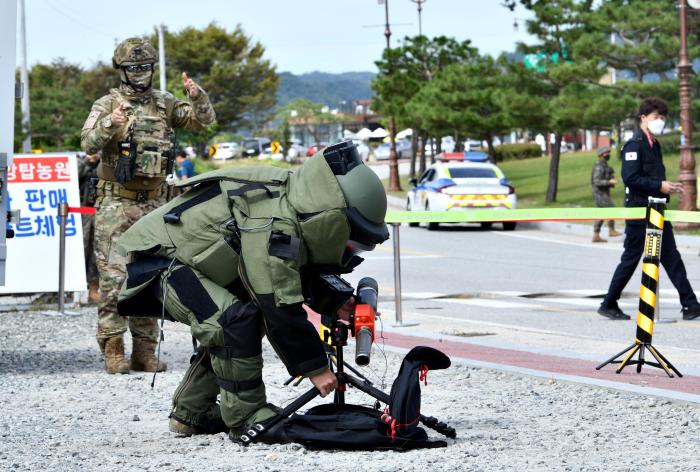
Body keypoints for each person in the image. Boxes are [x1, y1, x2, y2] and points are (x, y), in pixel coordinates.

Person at [115, 140, 389, 441]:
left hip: (188, 261)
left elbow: (292, 269)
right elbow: (278, 301)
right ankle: (247, 418)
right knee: (231, 322)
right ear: (334, 219)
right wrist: (316, 367)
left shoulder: (298, 204)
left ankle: (191, 413)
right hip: (161, 263)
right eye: (352, 240)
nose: (350, 249)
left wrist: (335, 300)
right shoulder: (272, 220)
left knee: (238, 320)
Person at [80, 37, 216, 374]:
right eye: (133, 68)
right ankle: (113, 350)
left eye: (145, 67)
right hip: (116, 203)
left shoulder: (164, 103)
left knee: (151, 277)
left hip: (155, 203)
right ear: (122, 71)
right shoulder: (108, 103)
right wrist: (112, 121)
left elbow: (201, 123)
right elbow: (87, 142)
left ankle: (145, 352)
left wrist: (199, 99)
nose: (140, 73)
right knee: (114, 278)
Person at [598, 97, 700, 320]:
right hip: (639, 212)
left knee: (672, 257)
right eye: (656, 117)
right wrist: (659, 186)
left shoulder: (655, 144)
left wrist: (665, 188)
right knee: (631, 258)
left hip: (657, 210)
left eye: (663, 118)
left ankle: (691, 305)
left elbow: (654, 176)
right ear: (643, 118)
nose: (660, 121)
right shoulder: (634, 145)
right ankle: (609, 303)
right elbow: (630, 178)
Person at [77, 151, 101, 303]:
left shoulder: (107, 163)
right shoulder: (80, 163)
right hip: (81, 213)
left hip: (101, 212)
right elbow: (74, 177)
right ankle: (75, 293)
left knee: (96, 253)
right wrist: (88, 162)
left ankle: (93, 290)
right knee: (80, 250)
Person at [591, 146, 622, 243]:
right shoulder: (599, 166)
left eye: (608, 153)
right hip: (599, 192)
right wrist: (609, 181)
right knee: (610, 209)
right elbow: (596, 181)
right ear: (600, 155)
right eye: (606, 153)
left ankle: (596, 235)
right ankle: (611, 230)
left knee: (601, 213)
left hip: (603, 192)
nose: (608, 155)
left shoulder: (604, 165)